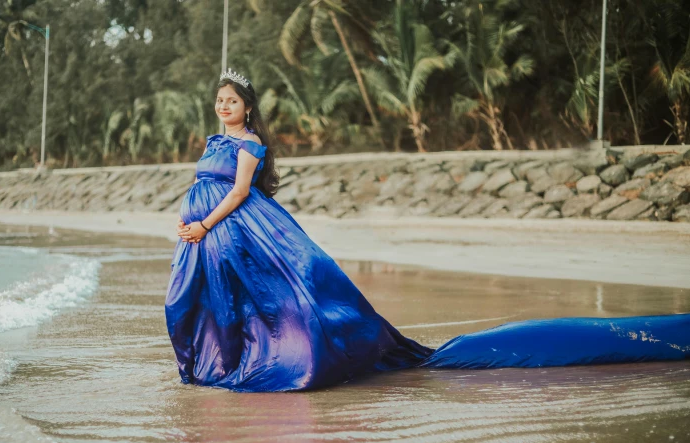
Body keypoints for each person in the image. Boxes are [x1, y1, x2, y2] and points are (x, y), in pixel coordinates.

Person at [165, 68, 690, 393]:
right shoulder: (214, 139)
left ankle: (295, 358)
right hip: (208, 238)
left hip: (237, 230)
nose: (223, 106)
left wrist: (204, 223)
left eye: (231, 101)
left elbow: (237, 194)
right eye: (219, 101)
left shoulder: (249, 144)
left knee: (280, 301)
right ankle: (223, 363)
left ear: (248, 107)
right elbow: (204, 184)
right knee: (214, 303)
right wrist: (189, 222)